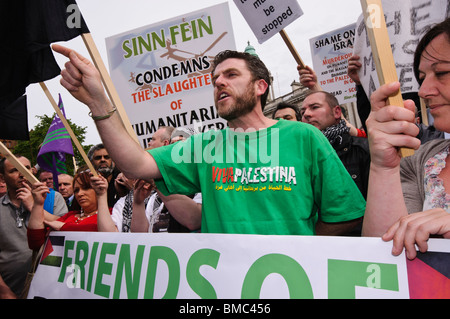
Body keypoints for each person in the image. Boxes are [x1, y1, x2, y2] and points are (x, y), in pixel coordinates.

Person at [53, 45, 365, 236]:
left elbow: (346, 214)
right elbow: (136, 164)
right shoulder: (204, 145)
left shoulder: (303, 135)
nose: (218, 83)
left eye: (230, 75)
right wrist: (97, 103)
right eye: (215, 79)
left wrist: (302, 239)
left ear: (260, 86)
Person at [362, 18, 450, 259]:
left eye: (441, 72)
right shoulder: (422, 160)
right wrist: (383, 167)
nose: (423, 90)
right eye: (422, 77)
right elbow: (382, 262)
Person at [0, 155, 58, 298]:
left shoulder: (52, 198)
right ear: (2, 178)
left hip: (51, 288)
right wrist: (4, 291)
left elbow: (65, 227)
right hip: (11, 290)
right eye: (14, 170)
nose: (21, 174)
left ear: (33, 171)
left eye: (25, 168)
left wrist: (34, 206)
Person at [301, 90, 371, 201]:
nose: (306, 114)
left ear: (337, 112)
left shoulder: (363, 150)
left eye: (314, 107)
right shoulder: (301, 156)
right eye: (302, 112)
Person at [27, 170, 117, 250]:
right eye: (76, 190)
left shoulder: (112, 214)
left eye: (86, 188)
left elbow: (108, 239)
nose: (80, 194)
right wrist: (38, 204)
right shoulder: (70, 215)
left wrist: (64, 227)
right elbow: (36, 243)